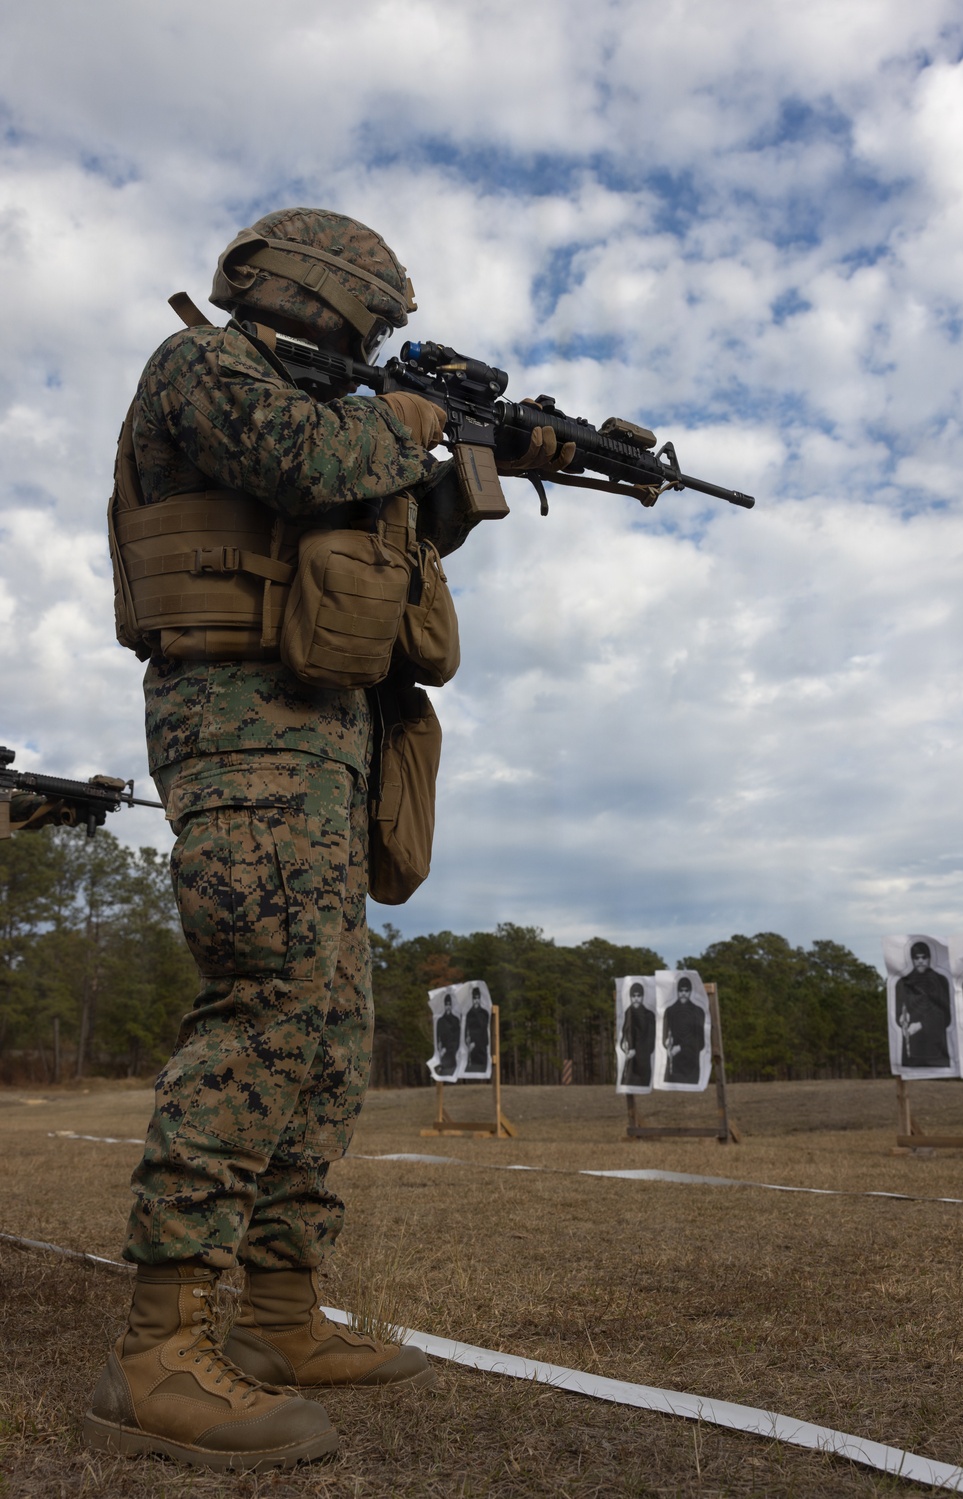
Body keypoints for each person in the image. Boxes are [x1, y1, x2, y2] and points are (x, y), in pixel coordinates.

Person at [87, 206, 573, 1472]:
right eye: (374, 315)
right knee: (267, 1003)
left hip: (329, 731)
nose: (380, 337)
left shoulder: (341, 415)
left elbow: (379, 525)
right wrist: (418, 422)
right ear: (323, 292)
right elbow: (305, 459)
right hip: (236, 716)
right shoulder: (205, 367)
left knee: (328, 1034)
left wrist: (484, 463)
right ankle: (160, 1348)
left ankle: (278, 1311)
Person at [894, 940, 952, 1069]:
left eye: (924, 957)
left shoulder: (941, 981)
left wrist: (922, 1024)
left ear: (929, 958)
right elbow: (898, 1010)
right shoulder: (903, 982)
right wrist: (901, 1018)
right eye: (916, 958)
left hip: (937, 1046)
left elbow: (946, 1016)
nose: (920, 961)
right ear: (912, 959)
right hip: (912, 1045)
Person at [663, 976, 706, 1085]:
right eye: (680, 990)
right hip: (674, 1065)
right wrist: (667, 1041)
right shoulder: (669, 1011)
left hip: (691, 1065)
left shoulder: (698, 1012)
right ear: (677, 991)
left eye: (686, 990)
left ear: (690, 991)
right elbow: (663, 1036)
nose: (683, 993)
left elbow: (700, 1042)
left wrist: (681, 1047)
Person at [620, 981, 655, 1088]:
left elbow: (651, 1040)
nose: (636, 998)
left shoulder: (649, 1015)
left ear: (642, 996)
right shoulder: (627, 1013)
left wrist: (636, 1050)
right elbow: (623, 1033)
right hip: (630, 1061)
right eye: (633, 996)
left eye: (638, 996)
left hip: (643, 1063)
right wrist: (624, 1045)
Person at [463, 985, 490, 1073]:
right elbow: (466, 1031)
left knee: (482, 1069)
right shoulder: (469, 1014)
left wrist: (476, 1043)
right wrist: (468, 1042)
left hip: (481, 1046)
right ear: (472, 999)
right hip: (472, 1047)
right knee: (471, 1069)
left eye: (478, 998)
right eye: (474, 998)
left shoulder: (484, 1013)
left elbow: (484, 1030)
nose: (476, 1000)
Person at [435, 991, 461, 1076]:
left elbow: (457, 1037)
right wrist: (440, 1048)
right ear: (444, 1005)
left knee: (451, 1071)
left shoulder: (455, 1020)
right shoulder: (440, 1021)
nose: (448, 1007)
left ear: (451, 1005)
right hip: (442, 1052)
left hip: (452, 1051)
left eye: (449, 1004)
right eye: (446, 1005)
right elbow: (438, 1037)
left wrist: (452, 1049)